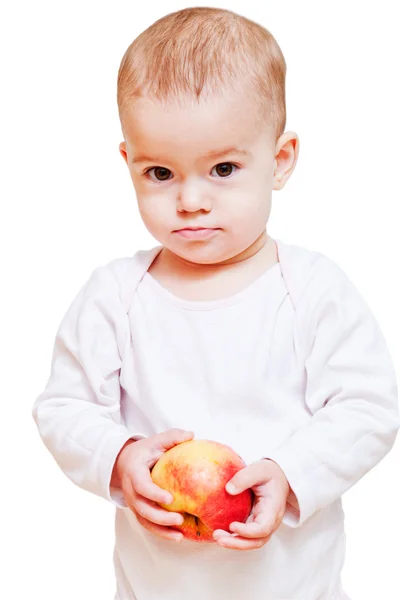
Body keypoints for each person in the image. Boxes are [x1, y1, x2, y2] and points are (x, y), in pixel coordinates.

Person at [32, 7, 399, 600]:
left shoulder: (312, 289)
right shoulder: (114, 297)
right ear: (128, 164)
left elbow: (368, 408)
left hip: (293, 589)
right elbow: (63, 407)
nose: (191, 200)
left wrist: (291, 475)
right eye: (160, 172)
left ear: (280, 161)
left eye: (223, 168)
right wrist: (119, 456)